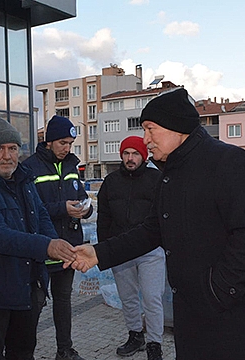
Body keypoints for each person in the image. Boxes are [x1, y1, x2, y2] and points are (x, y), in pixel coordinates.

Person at [68, 87, 245, 359]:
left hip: (236, 322)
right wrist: (98, 253)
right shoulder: (171, 174)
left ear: (177, 128)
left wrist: (217, 291)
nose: (145, 139)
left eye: (150, 129)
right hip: (193, 321)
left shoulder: (229, 162)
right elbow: (152, 230)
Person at [0, 118, 76, 360]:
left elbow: (40, 215)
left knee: (24, 351)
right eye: (0, 149)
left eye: (13, 148)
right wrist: (47, 246)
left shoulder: (25, 179)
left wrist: (56, 244)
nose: (7, 156)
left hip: (29, 288)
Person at [23, 115, 92, 360]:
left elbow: (81, 195)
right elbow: (32, 208)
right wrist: (63, 208)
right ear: (49, 141)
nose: (67, 148)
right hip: (43, 248)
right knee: (34, 306)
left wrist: (86, 209)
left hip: (70, 247)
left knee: (63, 303)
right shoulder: (30, 167)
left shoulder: (73, 166)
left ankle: (65, 350)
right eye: (63, 142)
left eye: (71, 143)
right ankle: (24, 353)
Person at [97, 136, 168, 360]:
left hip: (150, 250)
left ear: (143, 156)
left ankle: (154, 343)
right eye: (126, 153)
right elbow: (104, 217)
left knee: (152, 298)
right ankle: (135, 335)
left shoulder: (157, 178)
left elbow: (166, 214)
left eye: (135, 153)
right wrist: (104, 250)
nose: (130, 158)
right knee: (127, 298)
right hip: (120, 249)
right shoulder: (111, 181)